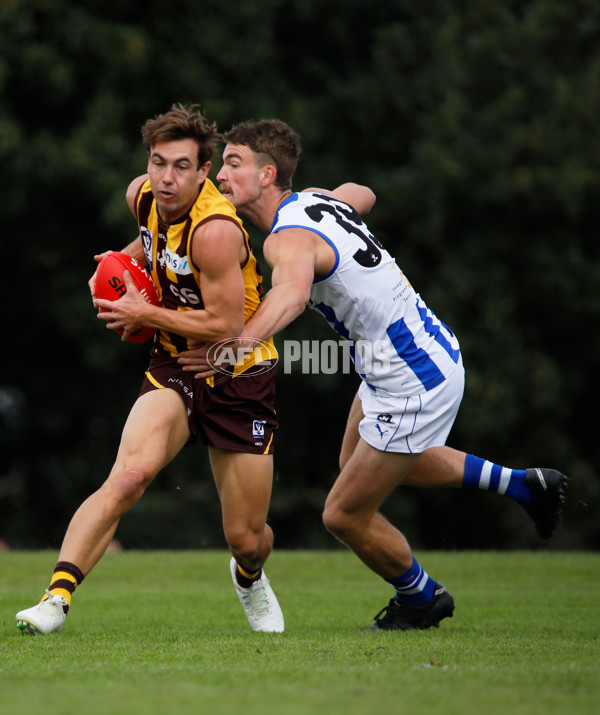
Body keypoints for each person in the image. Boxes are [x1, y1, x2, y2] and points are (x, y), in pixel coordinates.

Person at [178, 119, 567, 631]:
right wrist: (330, 196)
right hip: (413, 358)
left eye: (233, 164)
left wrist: (235, 350)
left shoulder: (285, 241)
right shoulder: (311, 206)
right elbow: (364, 192)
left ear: (267, 175)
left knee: (342, 514)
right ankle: (523, 486)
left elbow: (291, 295)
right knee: (358, 464)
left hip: (411, 379)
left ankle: (421, 597)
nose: (221, 176)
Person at [16, 105, 284, 635]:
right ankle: (55, 600)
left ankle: (250, 576)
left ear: (204, 171)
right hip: (175, 362)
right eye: (159, 162)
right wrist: (117, 269)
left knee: (247, 538)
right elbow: (150, 242)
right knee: (130, 475)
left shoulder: (216, 231)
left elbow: (228, 320)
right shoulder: (142, 195)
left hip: (241, 370)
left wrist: (143, 312)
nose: (166, 178)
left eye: (182, 166)